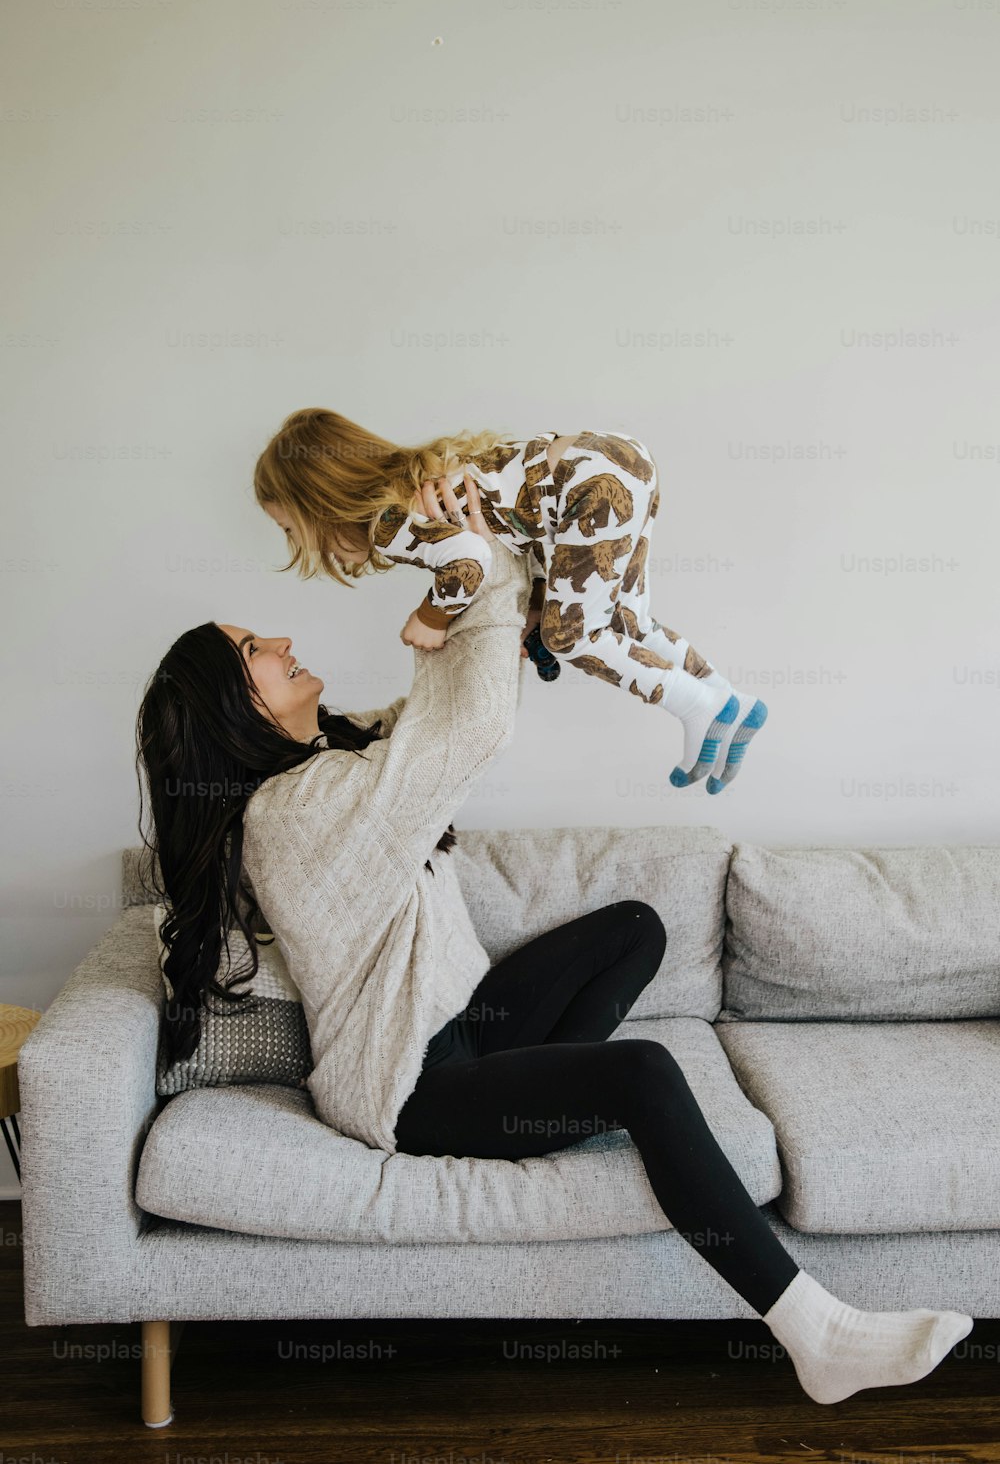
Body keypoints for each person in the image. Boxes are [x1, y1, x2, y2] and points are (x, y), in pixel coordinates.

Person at [135, 474, 972, 1408]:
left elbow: (437, 713)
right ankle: (815, 1332)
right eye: (256, 648)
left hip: (465, 1022)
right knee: (644, 1074)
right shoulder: (297, 811)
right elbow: (471, 728)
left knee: (636, 931)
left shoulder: (330, 753)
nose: (282, 641)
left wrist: (483, 566)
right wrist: (475, 568)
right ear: (231, 707)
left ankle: (540, 1099)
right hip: (415, 1089)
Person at [252, 408, 767, 794]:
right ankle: (730, 702)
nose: (298, 543)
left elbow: (470, 558)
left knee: (572, 637)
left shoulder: (391, 521)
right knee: (625, 623)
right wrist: (539, 601)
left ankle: (698, 705)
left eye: (289, 527)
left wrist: (429, 617)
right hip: (616, 459)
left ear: (320, 506)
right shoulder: (424, 480)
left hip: (588, 480)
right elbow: (527, 529)